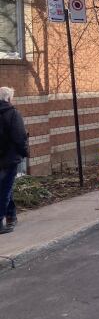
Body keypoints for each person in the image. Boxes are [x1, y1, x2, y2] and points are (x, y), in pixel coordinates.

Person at [0, 87, 29, 234]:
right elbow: (20, 137)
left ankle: (11, 216)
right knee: (5, 189)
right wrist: (25, 152)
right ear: (8, 98)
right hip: (9, 159)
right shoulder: (13, 114)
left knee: (6, 187)